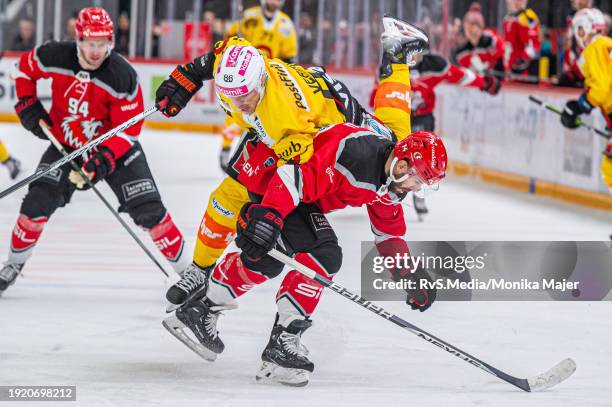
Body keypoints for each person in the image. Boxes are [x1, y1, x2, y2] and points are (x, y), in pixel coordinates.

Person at [154, 16, 426, 304]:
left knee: (237, 193)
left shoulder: (288, 126)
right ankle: (200, 270)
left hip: (317, 130)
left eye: (243, 95)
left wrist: (269, 212)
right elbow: (228, 50)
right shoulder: (250, 67)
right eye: (230, 95)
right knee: (396, 131)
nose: (238, 102)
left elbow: (299, 173)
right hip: (326, 115)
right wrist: (190, 75)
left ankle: (202, 272)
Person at [165, 123, 446, 386]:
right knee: (324, 254)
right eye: (418, 181)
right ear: (403, 164)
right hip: (277, 182)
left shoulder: (388, 183)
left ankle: (199, 309)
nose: (415, 189)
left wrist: (408, 274)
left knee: (268, 260)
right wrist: (270, 216)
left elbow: (388, 233)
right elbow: (293, 177)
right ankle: (282, 343)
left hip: (296, 196)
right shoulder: (355, 151)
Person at [0, 7, 189, 295]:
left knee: (150, 211)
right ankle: (13, 264)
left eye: (103, 43)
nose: (97, 50)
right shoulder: (54, 55)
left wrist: (102, 160)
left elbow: (129, 129)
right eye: (91, 43)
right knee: (35, 204)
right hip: (66, 146)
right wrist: (27, 105)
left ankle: (189, 274)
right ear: (79, 39)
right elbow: (22, 70)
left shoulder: (122, 75)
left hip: (115, 150)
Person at [373, 51, 500, 220]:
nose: (413, 57)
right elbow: (380, 90)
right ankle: (390, 187)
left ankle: (418, 190)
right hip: (401, 117)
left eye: (417, 53)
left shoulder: (433, 65)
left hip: (423, 117)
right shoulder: (392, 67)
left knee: (424, 159)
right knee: (397, 157)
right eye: (409, 53)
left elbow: (458, 74)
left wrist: (483, 82)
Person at [219, 0, 298, 171]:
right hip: (244, 76)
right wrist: (234, 40)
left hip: (269, 79)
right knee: (236, 112)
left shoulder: (286, 25)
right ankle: (226, 148)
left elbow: (289, 59)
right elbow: (228, 42)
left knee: (266, 118)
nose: (273, 2)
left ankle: (258, 157)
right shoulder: (248, 17)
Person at [560, 8, 611, 191]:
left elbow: (602, 89)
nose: (577, 34)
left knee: (610, 168)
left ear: (589, 28)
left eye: (579, 29)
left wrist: (581, 106)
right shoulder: (606, 45)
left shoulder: (594, 48)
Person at [454, 3, 504, 75]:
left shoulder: (492, 41)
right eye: (468, 27)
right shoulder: (462, 53)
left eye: (476, 26)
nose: (472, 31)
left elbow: (502, 53)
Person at [503, 0, 541, 79]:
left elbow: (534, 44)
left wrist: (522, 61)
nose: (508, 2)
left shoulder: (528, 16)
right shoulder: (507, 18)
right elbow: (508, 43)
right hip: (509, 68)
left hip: (523, 70)